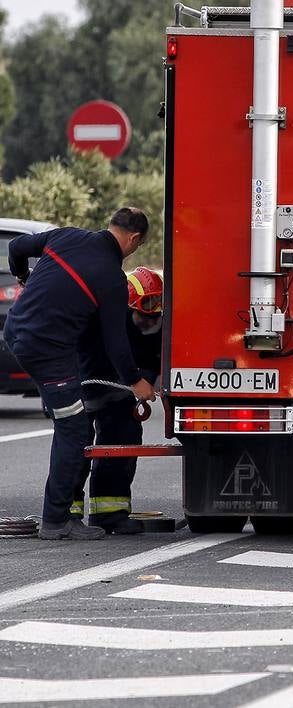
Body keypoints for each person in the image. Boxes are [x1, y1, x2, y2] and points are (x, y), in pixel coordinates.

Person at [2, 208, 156, 541]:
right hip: (47, 351)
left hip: (15, 332)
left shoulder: (66, 235)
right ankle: (57, 521)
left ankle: (63, 514)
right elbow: (117, 343)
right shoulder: (112, 278)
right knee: (73, 428)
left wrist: (23, 277)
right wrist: (137, 382)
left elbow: (16, 248)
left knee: (71, 419)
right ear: (134, 239)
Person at [72, 267, 164, 535]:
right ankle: (66, 514)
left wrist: (143, 380)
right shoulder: (102, 318)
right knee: (75, 449)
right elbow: (108, 351)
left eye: (155, 313)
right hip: (84, 386)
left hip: (121, 390)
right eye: (143, 312)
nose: (149, 320)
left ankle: (110, 514)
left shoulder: (155, 324)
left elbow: (152, 357)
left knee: (123, 443)